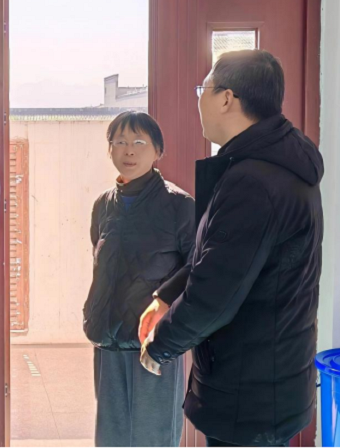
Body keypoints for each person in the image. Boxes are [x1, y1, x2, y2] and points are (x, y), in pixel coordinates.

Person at [139, 50, 324, 447]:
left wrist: (162, 345)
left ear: (226, 98)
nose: (200, 101)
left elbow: (216, 295)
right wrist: (166, 297)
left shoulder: (254, 181)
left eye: (202, 90)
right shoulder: (277, 164)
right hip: (271, 382)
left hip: (249, 396)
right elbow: (221, 256)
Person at [83, 111, 195, 446]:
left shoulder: (179, 205)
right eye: (119, 142)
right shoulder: (103, 205)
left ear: (158, 150)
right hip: (108, 339)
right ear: (110, 150)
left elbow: (196, 267)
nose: (128, 150)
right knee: (111, 438)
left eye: (138, 142)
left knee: (153, 437)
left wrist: (166, 312)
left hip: (155, 341)